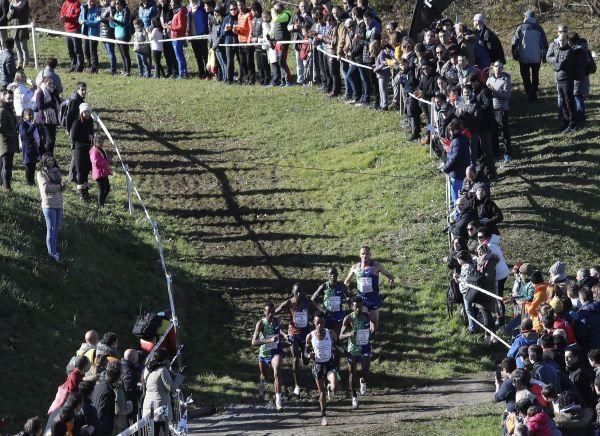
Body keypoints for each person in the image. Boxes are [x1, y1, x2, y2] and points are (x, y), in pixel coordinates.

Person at [275, 283, 320, 396]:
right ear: (293, 292)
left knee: (305, 360)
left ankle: (304, 355)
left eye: (301, 291)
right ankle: (297, 386)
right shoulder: (289, 303)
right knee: (295, 359)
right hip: (293, 334)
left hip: (305, 334)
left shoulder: (307, 301)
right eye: (297, 292)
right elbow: (276, 310)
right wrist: (269, 316)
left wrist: (323, 314)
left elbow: (317, 309)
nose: (299, 294)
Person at [344, 245, 394, 333]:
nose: (365, 256)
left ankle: (370, 339)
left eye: (367, 254)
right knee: (362, 323)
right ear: (360, 255)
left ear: (370, 255)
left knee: (374, 328)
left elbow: (389, 275)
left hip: (373, 298)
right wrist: (347, 293)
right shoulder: (355, 268)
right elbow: (346, 281)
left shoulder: (376, 266)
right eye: (363, 254)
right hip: (361, 299)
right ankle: (362, 341)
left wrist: (391, 281)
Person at [305, 312, 339, 426]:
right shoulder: (310, 336)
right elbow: (305, 353)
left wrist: (344, 353)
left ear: (324, 322)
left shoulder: (330, 333)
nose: (320, 325)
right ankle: (324, 416)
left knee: (334, 385)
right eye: (317, 323)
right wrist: (309, 355)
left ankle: (330, 387)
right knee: (321, 392)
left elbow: (338, 344)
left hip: (329, 363)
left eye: (322, 322)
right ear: (314, 323)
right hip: (317, 366)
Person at [340, 297, 372, 409]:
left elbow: (368, 329)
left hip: (364, 347)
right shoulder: (348, 318)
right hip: (353, 349)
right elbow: (340, 336)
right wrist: (349, 334)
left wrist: (369, 334)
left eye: (360, 306)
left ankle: (363, 380)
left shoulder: (366, 316)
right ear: (352, 306)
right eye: (356, 306)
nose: (358, 308)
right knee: (352, 373)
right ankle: (354, 396)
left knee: (366, 368)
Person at [251, 302, 284, 410]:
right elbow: (253, 342)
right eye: (268, 312)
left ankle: (278, 402)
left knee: (277, 373)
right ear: (264, 312)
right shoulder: (260, 323)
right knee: (264, 375)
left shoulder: (277, 321)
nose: (270, 314)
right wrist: (268, 340)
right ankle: (262, 383)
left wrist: (285, 336)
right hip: (264, 354)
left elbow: (279, 331)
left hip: (275, 352)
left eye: (272, 312)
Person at [511, 10, 548, 103]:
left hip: (523, 57)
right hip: (536, 57)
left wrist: (515, 54)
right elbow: (544, 44)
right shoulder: (539, 28)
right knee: (535, 76)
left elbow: (514, 43)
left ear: (526, 17)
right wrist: (544, 56)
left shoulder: (520, 28)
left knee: (525, 76)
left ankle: (528, 93)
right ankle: (534, 93)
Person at [36, 153, 67, 262]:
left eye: (52, 160)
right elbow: (46, 188)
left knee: (57, 229)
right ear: (44, 161)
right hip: (48, 204)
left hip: (58, 203)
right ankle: (51, 254)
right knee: (51, 229)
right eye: (48, 160)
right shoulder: (40, 174)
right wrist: (59, 186)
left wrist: (64, 185)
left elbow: (60, 189)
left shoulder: (56, 171)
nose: (51, 162)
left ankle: (54, 251)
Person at [546, 25, 577, 133]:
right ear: (557, 32)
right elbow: (548, 57)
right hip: (558, 77)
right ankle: (565, 121)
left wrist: (556, 62)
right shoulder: (553, 44)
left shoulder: (570, 48)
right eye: (560, 31)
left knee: (569, 100)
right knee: (562, 101)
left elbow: (563, 63)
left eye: (564, 31)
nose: (562, 33)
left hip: (567, 78)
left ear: (567, 34)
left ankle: (572, 123)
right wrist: (556, 61)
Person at [142, 348, 175, 436]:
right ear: (164, 359)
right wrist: (180, 376)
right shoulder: (162, 370)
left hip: (148, 404)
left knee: (153, 432)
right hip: (161, 405)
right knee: (166, 431)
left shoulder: (147, 369)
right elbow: (171, 387)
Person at [486, 61, 513, 163]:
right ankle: (495, 152)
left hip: (502, 110)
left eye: (500, 66)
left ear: (502, 68)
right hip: (491, 110)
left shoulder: (506, 80)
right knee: (493, 132)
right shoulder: (489, 79)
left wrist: (493, 91)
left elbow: (506, 96)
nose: (498, 68)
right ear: (493, 68)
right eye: (496, 66)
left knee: (504, 132)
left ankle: (507, 153)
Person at [311, 267, 348, 335]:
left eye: (334, 273)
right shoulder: (324, 286)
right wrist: (322, 310)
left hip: (338, 314)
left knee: (337, 335)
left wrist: (348, 301)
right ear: (328, 275)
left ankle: (337, 344)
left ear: (337, 274)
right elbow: (312, 299)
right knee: (326, 334)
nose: (333, 275)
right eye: (331, 273)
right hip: (327, 315)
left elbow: (349, 297)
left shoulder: (342, 286)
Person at [69, 103, 94, 201]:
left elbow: (91, 132)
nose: (87, 114)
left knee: (86, 171)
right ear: (81, 112)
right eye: (85, 112)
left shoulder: (90, 121)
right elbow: (73, 137)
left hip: (88, 149)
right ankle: (81, 193)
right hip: (79, 149)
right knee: (80, 171)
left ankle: (86, 191)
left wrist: (92, 138)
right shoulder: (77, 122)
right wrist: (86, 138)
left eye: (88, 112)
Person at [442, 119, 471, 204]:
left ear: (456, 130)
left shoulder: (458, 141)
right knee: (460, 197)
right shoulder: (458, 139)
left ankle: (458, 215)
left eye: (451, 130)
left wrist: (446, 168)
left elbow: (455, 158)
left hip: (457, 174)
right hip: (459, 172)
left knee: (457, 199)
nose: (450, 132)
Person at [18, 108, 45, 186]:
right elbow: (25, 135)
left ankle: (32, 181)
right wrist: (32, 126)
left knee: (33, 164)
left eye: (32, 114)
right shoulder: (22, 124)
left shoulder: (33, 123)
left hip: (35, 146)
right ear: (24, 115)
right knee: (28, 164)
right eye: (29, 114)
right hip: (27, 147)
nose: (31, 116)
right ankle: (29, 182)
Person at [91, 365, 120, 436]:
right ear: (116, 379)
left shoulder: (97, 386)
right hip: (102, 430)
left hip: (93, 423)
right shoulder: (108, 392)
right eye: (119, 379)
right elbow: (102, 412)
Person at [0, 88, 17, 191]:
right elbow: (1, 127)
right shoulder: (2, 110)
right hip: (5, 142)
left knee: (6, 165)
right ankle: (7, 187)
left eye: (12, 98)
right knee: (6, 166)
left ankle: (4, 185)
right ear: (3, 97)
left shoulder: (8, 109)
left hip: (10, 141)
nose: (11, 100)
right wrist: (11, 135)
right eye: (9, 98)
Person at [233, 0, 253, 84]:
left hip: (247, 42)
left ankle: (251, 80)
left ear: (245, 5)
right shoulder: (239, 15)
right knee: (242, 62)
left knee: (249, 62)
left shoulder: (249, 15)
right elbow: (240, 29)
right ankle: (246, 78)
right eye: (238, 5)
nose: (240, 7)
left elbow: (251, 28)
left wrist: (249, 40)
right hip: (240, 41)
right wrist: (235, 29)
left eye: (241, 5)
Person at [61, 0, 84, 72]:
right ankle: (73, 65)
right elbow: (62, 12)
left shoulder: (77, 3)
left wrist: (67, 18)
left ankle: (80, 66)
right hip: (67, 30)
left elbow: (77, 15)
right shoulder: (65, 3)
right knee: (70, 49)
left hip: (75, 29)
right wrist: (62, 17)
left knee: (77, 49)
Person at [110, 0, 132, 76]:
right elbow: (112, 26)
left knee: (126, 54)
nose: (116, 5)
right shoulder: (116, 13)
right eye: (115, 4)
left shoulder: (126, 12)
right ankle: (124, 70)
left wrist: (114, 20)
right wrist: (110, 21)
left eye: (118, 3)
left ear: (122, 4)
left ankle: (128, 71)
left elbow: (124, 24)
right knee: (121, 55)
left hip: (124, 35)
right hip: (117, 36)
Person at [188, 0, 209, 79]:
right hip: (193, 35)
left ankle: (208, 72)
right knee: (198, 56)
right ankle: (201, 72)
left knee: (205, 55)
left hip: (202, 35)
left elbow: (206, 20)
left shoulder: (202, 6)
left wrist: (206, 32)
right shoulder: (188, 8)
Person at [79, 0, 101, 73]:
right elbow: (79, 19)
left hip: (93, 33)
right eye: (90, 1)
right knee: (86, 50)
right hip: (84, 33)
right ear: (87, 1)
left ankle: (95, 67)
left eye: (93, 1)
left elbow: (97, 22)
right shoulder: (83, 8)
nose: (91, 2)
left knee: (93, 51)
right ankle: (90, 65)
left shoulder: (97, 9)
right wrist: (81, 21)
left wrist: (87, 23)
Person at [89, 134, 111, 207]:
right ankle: (100, 206)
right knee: (101, 190)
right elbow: (96, 163)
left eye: (102, 142)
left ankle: (101, 202)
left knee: (107, 188)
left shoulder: (101, 149)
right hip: (99, 174)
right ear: (95, 142)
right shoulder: (94, 151)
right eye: (99, 142)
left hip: (104, 173)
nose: (101, 144)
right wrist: (107, 160)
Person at [120, 349, 140, 425]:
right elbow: (129, 389)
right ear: (134, 359)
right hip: (129, 406)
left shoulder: (121, 364)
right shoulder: (129, 373)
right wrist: (138, 393)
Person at [8, 0, 30, 69]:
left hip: (22, 29)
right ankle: (20, 61)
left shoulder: (25, 3)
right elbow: (8, 17)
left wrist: (16, 10)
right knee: (17, 47)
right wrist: (11, 12)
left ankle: (25, 62)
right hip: (14, 30)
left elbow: (25, 15)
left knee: (24, 47)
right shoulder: (12, 3)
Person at [169, 0, 188, 79]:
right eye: (170, 2)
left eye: (172, 2)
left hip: (178, 38)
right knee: (179, 57)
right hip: (174, 38)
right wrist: (171, 23)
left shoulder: (179, 13)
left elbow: (181, 26)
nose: (171, 3)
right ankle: (184, 73)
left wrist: (170, 27)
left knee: (179, 57)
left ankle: (182, 74)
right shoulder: (176, 13)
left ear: (176, 3)